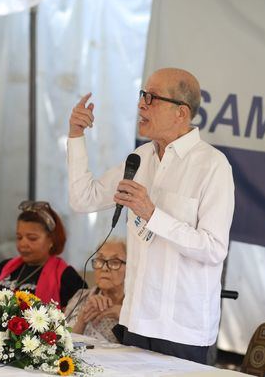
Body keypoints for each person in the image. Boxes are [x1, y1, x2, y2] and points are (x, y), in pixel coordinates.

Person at [67, 67, 235, 363]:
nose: (141, 104)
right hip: (135, 319)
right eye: (142, 95)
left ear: (181, 113)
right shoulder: (140, 158)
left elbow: (213, 249)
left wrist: (153, 214)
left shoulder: (213, 166)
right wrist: (76, 136)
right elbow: (84, 199)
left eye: (152, 97)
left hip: (182, 329)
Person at [0, 200, 85, 308]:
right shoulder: (5, 267)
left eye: (32, 238)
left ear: (51, 240)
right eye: (19, 237)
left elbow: (80, 312)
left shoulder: (66, 276)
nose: (23, 244)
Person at [65, 238, 127, 343]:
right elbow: (61, 344)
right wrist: (82, 321)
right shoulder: (81, 297)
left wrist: (126, 316)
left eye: (114, 262)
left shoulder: (137, 306)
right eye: (100, 261)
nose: (104, 268)